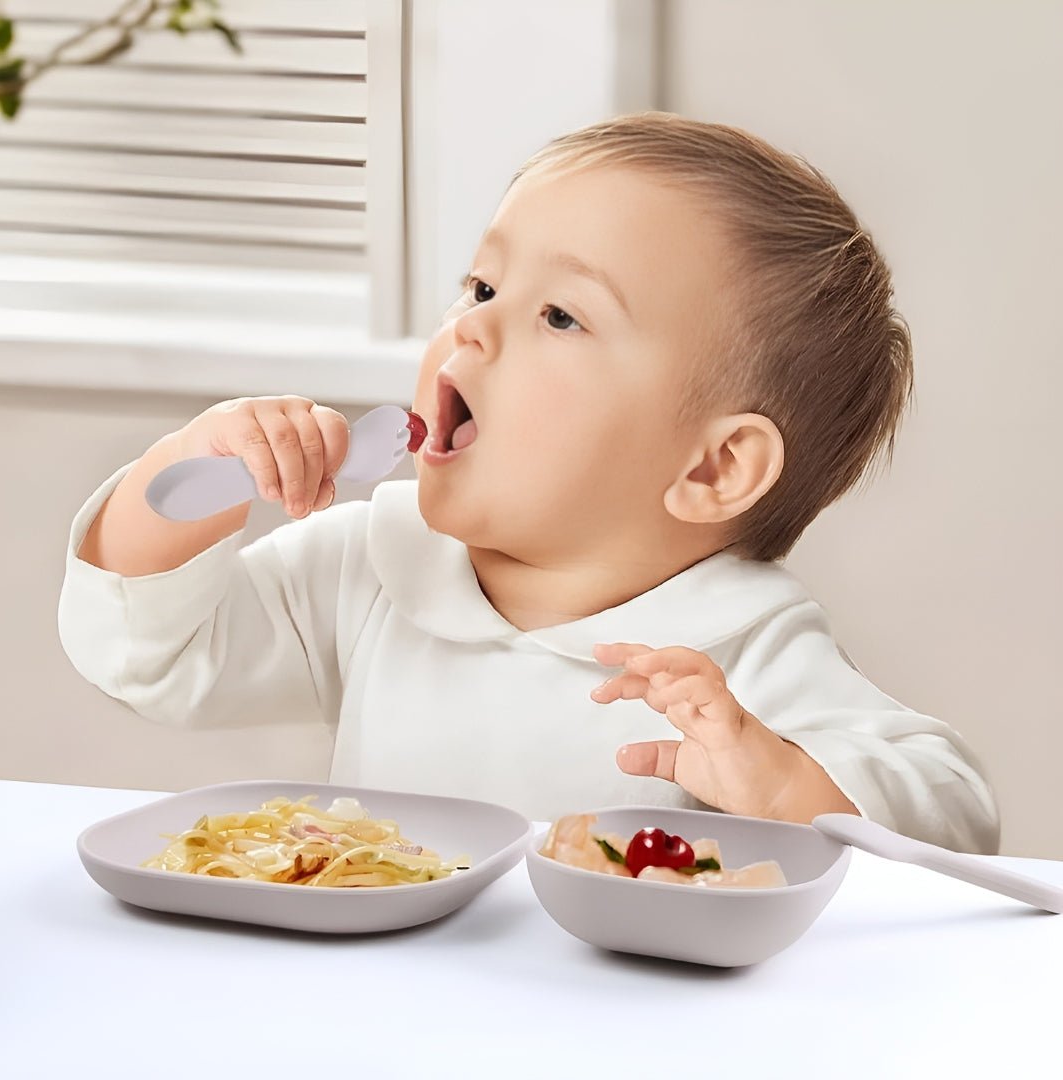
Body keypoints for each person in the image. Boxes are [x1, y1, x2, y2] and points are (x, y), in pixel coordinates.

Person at [58, 112, 1000, 854]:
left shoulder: (734, 651)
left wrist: (783, 782)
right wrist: (193, 467)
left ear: (712, 467)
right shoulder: (379, 565)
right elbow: (150, 658)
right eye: (479, 288)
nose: (472, 328)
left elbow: (953, 809)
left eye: (558, 314)